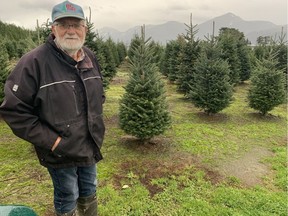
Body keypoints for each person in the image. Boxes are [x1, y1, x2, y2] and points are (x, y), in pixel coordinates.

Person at [0, 1, 105, 215]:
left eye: (76, 25)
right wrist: (54, 142)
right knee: (68, 194)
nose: (71, 31)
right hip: (60, 151)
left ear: (85, 29)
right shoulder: (34, 62)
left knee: (89, 189)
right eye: (64, 25)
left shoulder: (90, 58)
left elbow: (98, 95)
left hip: (88, 144)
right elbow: (14, 110)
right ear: (53, 29)